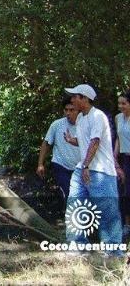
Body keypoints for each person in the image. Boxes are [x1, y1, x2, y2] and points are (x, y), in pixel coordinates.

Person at [62, 84, 123, 252]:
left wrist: (87, 165)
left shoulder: (98, 116)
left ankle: (113, 251)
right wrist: (71, 140)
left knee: (107, 211)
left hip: (101, 171)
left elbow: (95, 141)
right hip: (83, 169)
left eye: (75, 96)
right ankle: (77, 246)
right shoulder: (81, 118)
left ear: (85, 98)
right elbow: (84, 141)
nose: (72, 100)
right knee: (75, 205)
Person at [37, 99, 80, 199]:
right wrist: (40, 164)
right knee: (69, 193)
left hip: (79, 167)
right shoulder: (56, 125)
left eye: (72, 110)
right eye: (66, 110)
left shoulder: (84, 125)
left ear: (78, 110)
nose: (68, 113)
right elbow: (46, 143)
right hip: (61, 165)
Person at [114, 91, 130, 237]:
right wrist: (114, 156)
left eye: (124, 103)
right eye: (119, 103)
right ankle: (126, 224)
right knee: (125, 192)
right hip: (125, 159)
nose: (120, 106)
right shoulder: (118, 118)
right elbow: (118, 138)